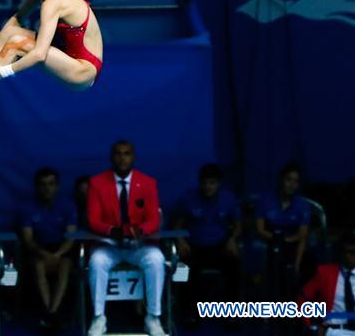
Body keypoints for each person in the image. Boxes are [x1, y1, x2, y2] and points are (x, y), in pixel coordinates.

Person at [86, 141, 165, 336]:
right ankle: (98, 318)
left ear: (134, 157)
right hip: (110, 245)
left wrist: (139, 231)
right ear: (112, 157)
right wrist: (113, 230)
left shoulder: (148, 182)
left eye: (127, 153)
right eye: (118, 154)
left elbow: (154, 219)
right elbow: (93, 220)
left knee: (157, 260)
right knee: (96, 261)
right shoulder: (96, 183)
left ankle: (153, 317)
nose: (122, 158)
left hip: (139, 245)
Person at [173, 164, 241, 317]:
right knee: (181, 269)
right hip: (194, 247)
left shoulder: (228, 199)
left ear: (219, 183)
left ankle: (231, 314)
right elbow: (177, 224)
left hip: (220, 246)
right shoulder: (188, 198)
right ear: (199, 182)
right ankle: (187, 312)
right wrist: (180, 240)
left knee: (234, 265)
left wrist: (232, 239)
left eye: (212, 183)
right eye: (204, 182)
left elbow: (238, 225)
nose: (208, 187)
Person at [18, 167, 77, 327]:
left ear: (57, 186)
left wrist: (58, 254)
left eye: (51, 184)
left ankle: (53, 311)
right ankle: (49, 312)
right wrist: (43, 253)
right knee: (38, 265)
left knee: (65, 265)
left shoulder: (67, 206)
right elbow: (28, 240)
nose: (47, 188)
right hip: (38, 249)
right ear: (37, 186)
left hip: (61, 250)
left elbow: (71, 237)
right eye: (43, 184)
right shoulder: (27, 208)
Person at [256, 162, 312, 298]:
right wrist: (277, 240)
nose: (292, 184)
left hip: (292, 245)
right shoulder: (265, 201)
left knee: (305, 263)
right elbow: (260, 229)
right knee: (274, 260)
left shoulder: (303, 205)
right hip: (270, 242)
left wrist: (297, 261)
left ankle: (297, 308)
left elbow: (302, 235)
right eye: (288, 179)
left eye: (296, 181)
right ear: (281, 180)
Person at [298, 231, 355, 335]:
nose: (348, 256)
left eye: (352, 252)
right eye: (345, 252)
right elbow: (303, 298)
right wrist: (311, 326)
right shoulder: (325, 273)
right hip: (333, 331)